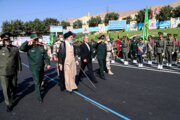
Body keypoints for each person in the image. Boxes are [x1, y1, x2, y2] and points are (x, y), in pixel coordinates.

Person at [20, 33, 51, 103]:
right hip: (34, 68)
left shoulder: (41, 47)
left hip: (41, 66)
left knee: (40, 80)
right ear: (32, 40)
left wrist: (48, 63)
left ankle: (38, 89)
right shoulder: (28, 47)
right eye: (35, 39)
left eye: (37, 39)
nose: (37, 40)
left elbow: (45, 56)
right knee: (36, 82)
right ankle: (39, 96)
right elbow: (21, 48)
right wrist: (27, 41)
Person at [0, 33, 22, 112]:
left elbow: (18, 59)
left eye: (8, 40)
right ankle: (9, 104)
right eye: (5, 40)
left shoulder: (15, 49)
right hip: (3, 72)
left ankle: (12, 95)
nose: (7, 41)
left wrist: (19, 68)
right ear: (3, 40)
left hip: (13, 71)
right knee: (5, 89)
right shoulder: (0, 48)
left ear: (10, 40)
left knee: (13, 86)